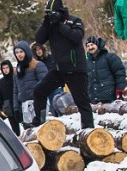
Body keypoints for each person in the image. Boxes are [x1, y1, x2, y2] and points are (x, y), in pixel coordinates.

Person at [33, 0, 94, 129]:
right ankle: (39, 122)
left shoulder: (74, 21)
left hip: (75, 69)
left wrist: (60, 24)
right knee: (39, 91)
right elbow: (39, 39)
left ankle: (88, 130)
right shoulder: (50, 25)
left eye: (52, 13)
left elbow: (77, 37)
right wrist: (46, 23)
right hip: (59, 70)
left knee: (82, 102)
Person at [13, 40, 48, 128]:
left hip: (38, 104)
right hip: (25, 106)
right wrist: (16, 107)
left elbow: (45, 84)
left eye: (21, 52)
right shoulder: (18, 69)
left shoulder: (37, 65)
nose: (19, 54)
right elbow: (16, 90)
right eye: (16, 52)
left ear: (26, 52)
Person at [86, 36, 127, 104]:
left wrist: (120, 90)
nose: (90, 47)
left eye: (92, 44)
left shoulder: (110, 57)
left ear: (97, 45)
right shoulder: (87, 62)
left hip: (110, 98)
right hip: (94, 100)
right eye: (88, 46)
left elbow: (120, 74)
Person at [31, 42, 61, 116]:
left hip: (56, 86)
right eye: (36, 50)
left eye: (39, 49)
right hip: (44, 88)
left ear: (43, 49)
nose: (38, 51)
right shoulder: (35, 63)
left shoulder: (51, 58)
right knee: (52, 109)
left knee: (59, 105)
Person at [0, 60, 20, 136]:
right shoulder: (1, 82)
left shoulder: (16, 78)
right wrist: (3, 107)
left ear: (10, 67)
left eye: (7, 67)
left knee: (26, 126)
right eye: (3, 68)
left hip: (19, 106)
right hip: (9, 108)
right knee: (15, 131)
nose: (6, 70)